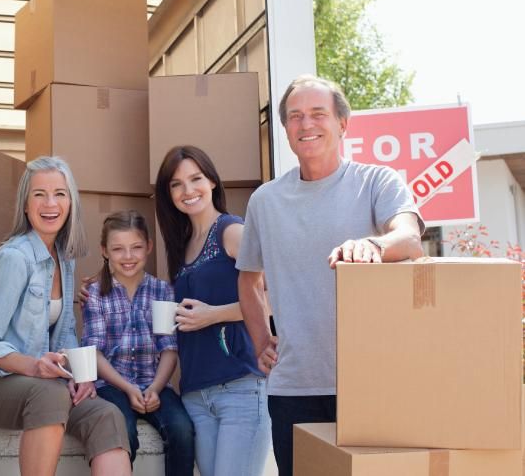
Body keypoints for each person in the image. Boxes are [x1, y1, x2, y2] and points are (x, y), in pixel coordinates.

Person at [235, 74, 425, 476]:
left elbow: (410, 239)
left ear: (342, 123)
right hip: (294, 388)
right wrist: (259, 341)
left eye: (318, 114)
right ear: (285, 128)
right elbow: (248, 277)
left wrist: (373, 245)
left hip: (370, 381)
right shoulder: (265, 201)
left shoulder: (376, 182)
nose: (306, 125)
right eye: (295, 116)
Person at [0, 156, 132, 476]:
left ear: (71, 202)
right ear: (25, 204)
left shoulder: (65, 259)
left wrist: (82, 374)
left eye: (60, 194)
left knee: (106, 414)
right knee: (48, 393)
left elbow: (64, 336)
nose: (51, 203)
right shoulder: (13, 259)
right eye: (40, 194)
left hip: (44, 388)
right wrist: (34, 366)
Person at [154, 145, 271, 476]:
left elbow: (276, 296)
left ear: (213, 182)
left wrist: (214, 314)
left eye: (196, 179)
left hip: (240, 387)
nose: (188, 190)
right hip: (196, 395)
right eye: (177, 184)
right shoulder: (183, 244)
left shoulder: (232, 231)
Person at [81, 210, 195, 476]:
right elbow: (94, 352)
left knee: (182, 430)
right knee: (123, 432)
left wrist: (155, 388)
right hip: (111, 385)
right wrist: (128, 388)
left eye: (136, 247)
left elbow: (169, 348)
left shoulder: (162, 291)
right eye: (118, 249)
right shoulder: (96, 294)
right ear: (105, 251)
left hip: (153, 381)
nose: (128, 256)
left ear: (149, 247)